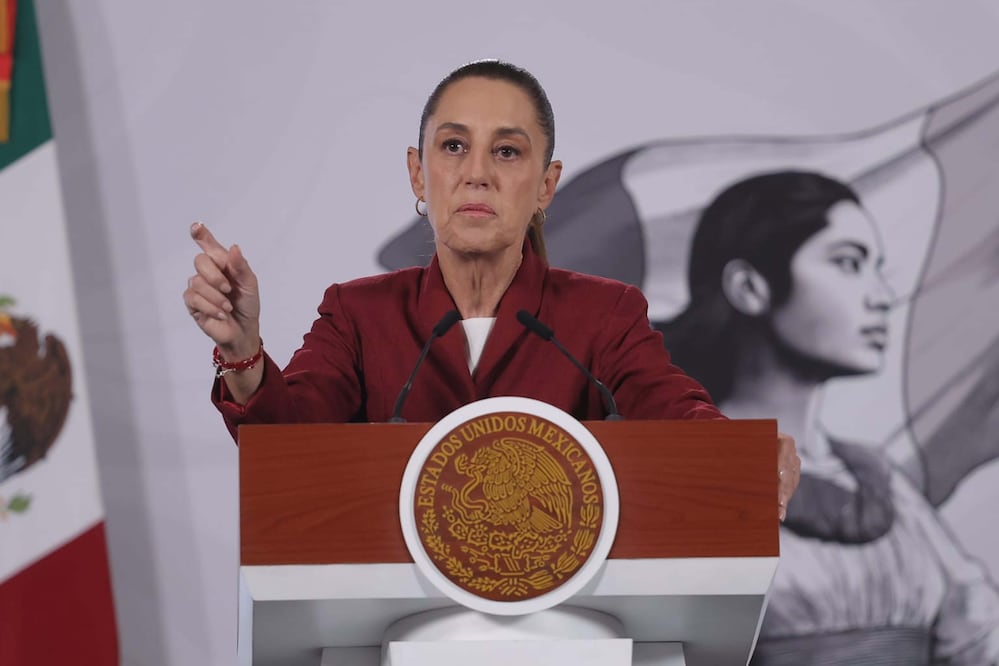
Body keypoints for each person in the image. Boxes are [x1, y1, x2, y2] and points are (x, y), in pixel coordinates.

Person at [182, 60, 800, 518]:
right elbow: (290, 450)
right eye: (453, 147)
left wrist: (736, 453)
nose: (476, 173)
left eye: (506, 151)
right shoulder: (358, 314)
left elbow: (671, 408)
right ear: (418, 172)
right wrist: (243, 352)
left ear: (546, 185)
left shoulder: (601, 314)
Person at [656, 170, 999, 664]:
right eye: (848, 263)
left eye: (877, 268)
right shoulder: (681, 474)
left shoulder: (879, 482)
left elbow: (977, 634)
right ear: (750, 287)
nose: (881, 296)